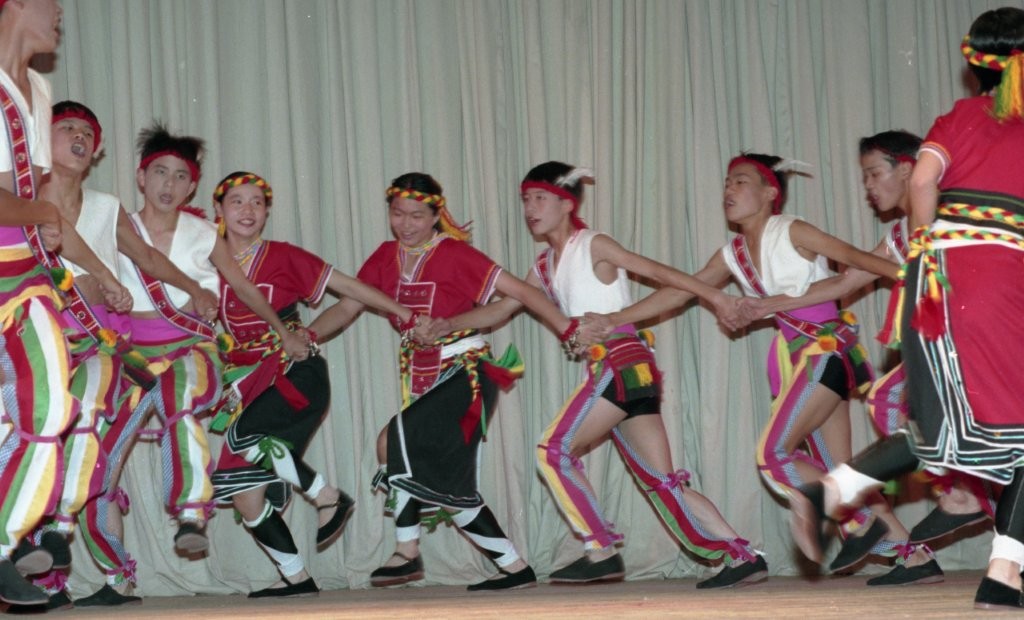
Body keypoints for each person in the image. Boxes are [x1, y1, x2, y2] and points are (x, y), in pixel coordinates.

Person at [431, 162, 768, 588]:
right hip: (631, 371)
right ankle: (742, 556)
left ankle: (601, 551)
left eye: (540, 199)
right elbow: (502, 308)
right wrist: (447, 325)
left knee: (553, 450)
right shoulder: (545, 264)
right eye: (526, 200)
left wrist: (716, 297)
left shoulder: (593, 244)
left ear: (566, 203)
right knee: (664, 481)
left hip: (620, 362)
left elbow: (659, 272)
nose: (530, 208)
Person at [788, 7, 1024, 611]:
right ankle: (1003, 574)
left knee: (944, 428)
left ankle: (829, 492)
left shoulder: (957, 117)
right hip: (1000, 280)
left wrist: (927, 255)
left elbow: (922, 184)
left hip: (935, 278)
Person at [585, 153, 912, 578]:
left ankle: (863, 524)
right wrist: (615, 319)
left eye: (740, 181)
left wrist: (913, 276)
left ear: (770, 192)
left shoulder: (792, 230)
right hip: (803, 358)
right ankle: (915, 557)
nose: (729, 189)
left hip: (825, 352)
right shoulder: (734, 253)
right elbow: (681, 292)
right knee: (841, 469)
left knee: (773, 454)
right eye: (726, 183)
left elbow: (854, 258)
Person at [70, 124, 308, 607]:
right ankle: (117, 578)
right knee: (98, 467)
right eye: (160, 172)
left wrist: (282, 330)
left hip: (190, 350)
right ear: (141, 177)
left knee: (179, 399)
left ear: (192, 187)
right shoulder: (114, 226)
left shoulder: (204, 233)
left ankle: (192, 512)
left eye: (181, 176)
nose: (169, 184)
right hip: (131, 359)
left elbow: (242, 286)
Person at [309, 172, 575, 591]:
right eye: (398, 213)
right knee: (440, 476)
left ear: (437, 216)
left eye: (417, 215)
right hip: (424, 377)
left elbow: (521, 295)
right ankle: (513, 566)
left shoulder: (455, 254)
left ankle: (407, 551)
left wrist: (566, 328)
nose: (406, 223)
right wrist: (305, 337)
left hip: (467, 371)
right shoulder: (384, 258)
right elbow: (346, 307)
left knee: (394, 441)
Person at [11, 101, 219, 610]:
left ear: (97, 149)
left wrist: (194, 287)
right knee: (32, 444)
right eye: (67, 128)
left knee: (88, 423)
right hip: (35, 336)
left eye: (88, 132)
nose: (79, 138)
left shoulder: (106, 207)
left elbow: (145, 257)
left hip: (100, 339)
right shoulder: (19, 200)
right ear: (42, 138)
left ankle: (62, 534)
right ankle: (35, 569)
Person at [207, 170, 414, 598]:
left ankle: (327, 496)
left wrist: (404, 314)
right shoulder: (204, 260)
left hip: (295, 370)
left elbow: (349, 288)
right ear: (219, 209)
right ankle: (297, 579)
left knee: (245, 436)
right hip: (248, 379)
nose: (248, 210)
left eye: (257, 202)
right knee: (245, 495)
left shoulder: (283, 256)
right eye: (237, 202)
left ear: (267, 212)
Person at [0, 0, 129, 605]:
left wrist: (99, 271)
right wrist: (43, 214)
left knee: (52, 409)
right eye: (50, 3)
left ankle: (7, 542)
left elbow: (33, 203)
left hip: (24, 278)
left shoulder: (39, 89)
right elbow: (29, 205)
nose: (59, 12)